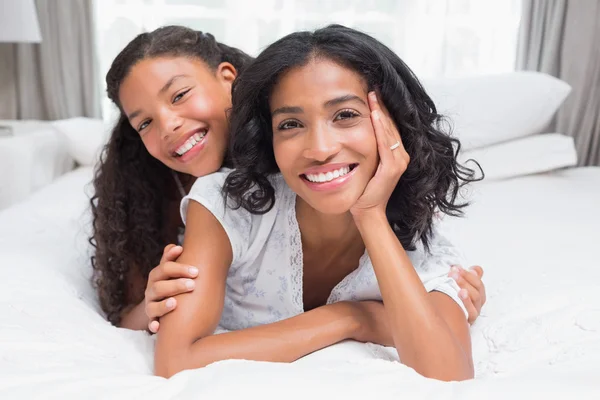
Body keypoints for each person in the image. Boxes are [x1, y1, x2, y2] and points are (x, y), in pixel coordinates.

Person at [154, 25, 483, 381]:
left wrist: (370, 216)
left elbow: (449, 376)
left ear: (395, 123)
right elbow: (176, 360)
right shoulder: (227, 206)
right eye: (291, 124)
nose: (321, 149)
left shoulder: (425, 251)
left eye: (345, 115)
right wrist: (352, 317)